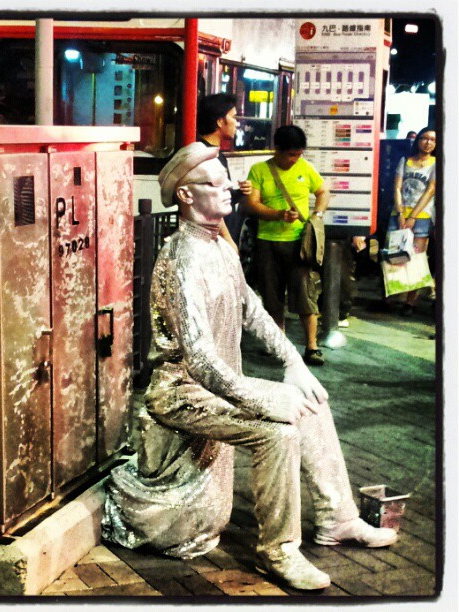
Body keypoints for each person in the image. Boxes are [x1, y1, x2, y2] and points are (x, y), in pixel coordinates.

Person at [102, 142, 397, 591]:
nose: (227, 190)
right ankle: (278, 550)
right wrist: (261, 396)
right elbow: (198, 360)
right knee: (277, 431)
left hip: (222, 387)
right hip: (182, 394)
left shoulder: (219, 246)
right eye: (214, 183)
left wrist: (294, 363)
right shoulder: (180, 258)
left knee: (311, 402)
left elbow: (253, 310)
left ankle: (339, 518)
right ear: (185, 195)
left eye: (226, 181)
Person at [245, 125, 329, 366]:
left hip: (299, 244)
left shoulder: (306, 168)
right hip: (268, 243)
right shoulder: (259, 170)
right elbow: (252, 204)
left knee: (306, 293)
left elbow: (323, 191)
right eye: (291, 154)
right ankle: (279, 344)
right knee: (272, 297)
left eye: (299, 154)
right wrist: (278, 215)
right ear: (277, 150)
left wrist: (318, 215)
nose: (295, 159)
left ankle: (311, 345)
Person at [388, 126, 436, 316]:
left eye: (432, 140)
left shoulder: (436, 163)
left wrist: (413, 216)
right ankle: (390, 296)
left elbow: (430, 190)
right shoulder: (405, 161)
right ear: (418, 141)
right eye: (424, 138)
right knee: (393, 256)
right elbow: (397, 187)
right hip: (398, 214)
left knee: (416, 259)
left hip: (422, 217)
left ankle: (410, 302)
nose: (428, 143)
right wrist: (400, 213)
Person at [197, 93, 252, 249]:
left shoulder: (217, 154)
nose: (237, 123)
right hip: (212, 242)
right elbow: (212, 206)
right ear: (220, 122)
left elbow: (220, 197)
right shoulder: (205, 156)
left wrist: (240, 192)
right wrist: (228, 240)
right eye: (234, 117)